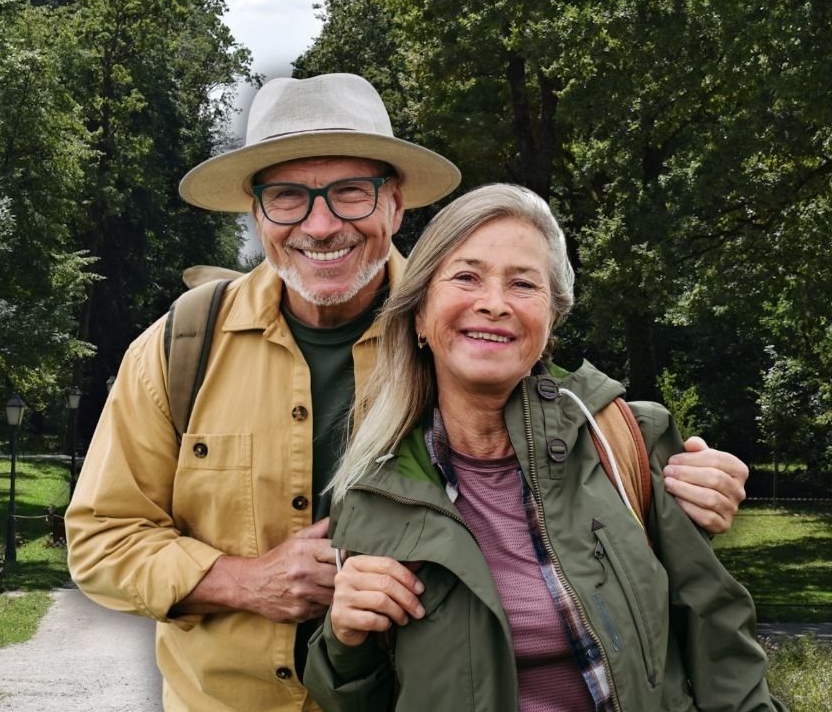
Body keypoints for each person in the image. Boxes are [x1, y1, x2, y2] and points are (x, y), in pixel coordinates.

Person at [65, 73, 750, 712]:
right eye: (288, 196)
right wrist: (245, 580)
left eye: (351, 192)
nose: (322, 223)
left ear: (394, 202)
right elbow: (99, 539)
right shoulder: (180, 347)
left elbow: (570, 471)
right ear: (257, 214)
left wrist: (672, 483)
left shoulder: (466, 330)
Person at [302, 184, 782, 711]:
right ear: (419, 315)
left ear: (551, 318)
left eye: (523, 284)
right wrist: (345, 640)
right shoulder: (372, 496)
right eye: (466, 277)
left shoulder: (629, 442)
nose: (493, 303)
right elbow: (358, 702)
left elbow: (720, 642)